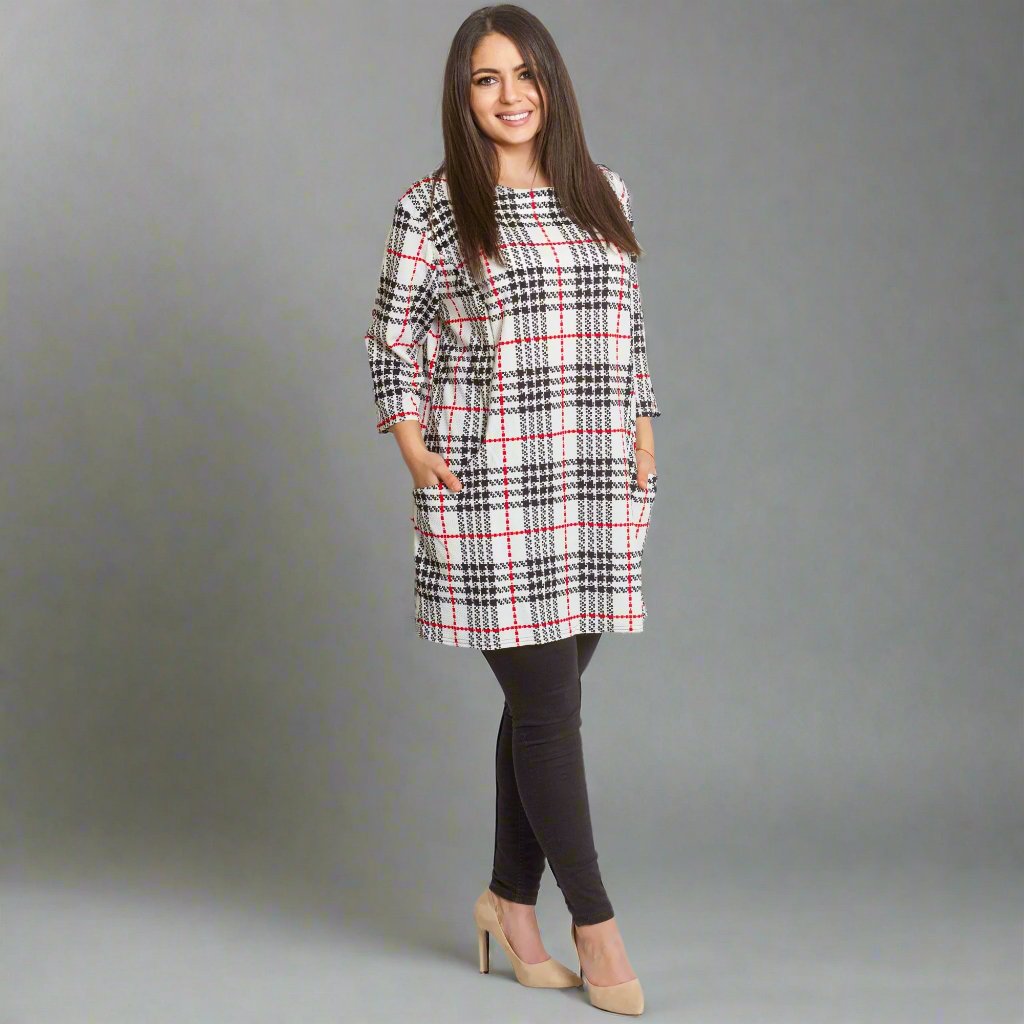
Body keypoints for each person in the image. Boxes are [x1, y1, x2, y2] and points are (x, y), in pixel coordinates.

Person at [362, 4, 660, 1015]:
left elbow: (627, 324)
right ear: (463, 95)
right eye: (486, 78)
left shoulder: (602, 191)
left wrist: (643, 423)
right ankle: (596, 925)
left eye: (525, 74)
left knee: (542, 707)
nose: (510, 95)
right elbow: (393, 337)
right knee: (548, 710)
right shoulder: (434, 206)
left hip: (591, 478)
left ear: (551, 82)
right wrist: (410, 441)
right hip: (489, 483)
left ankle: (507, 903)